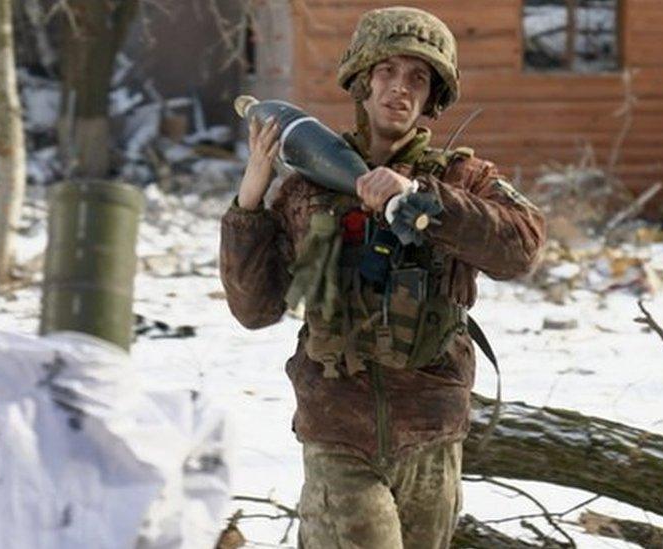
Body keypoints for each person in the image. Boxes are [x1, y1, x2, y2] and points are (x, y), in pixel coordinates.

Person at [219, 6, 546, 548]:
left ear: (432, 95)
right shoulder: (306, 187)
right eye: (388, 72)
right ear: (363, 80)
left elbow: (524, 247)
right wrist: (250, 200)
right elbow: (254, 310)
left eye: (418, 77)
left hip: (431, 431)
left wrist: (423, 201)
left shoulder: (461, 179)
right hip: (336, 430)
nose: (400, 88)